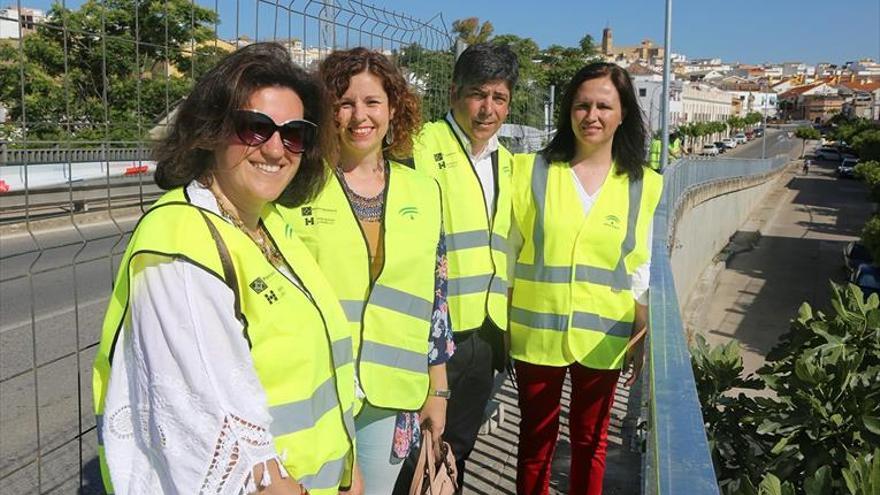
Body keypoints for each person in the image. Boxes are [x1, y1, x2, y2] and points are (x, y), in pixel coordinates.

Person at [92, 43, 360, 495]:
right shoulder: (180, 242)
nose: (276, 149)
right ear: (213, 129)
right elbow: (220, 432)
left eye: (294, 134)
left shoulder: (270, 225)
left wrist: (349, 473)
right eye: (255, 128)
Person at [283, 47, 452, 495]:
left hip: (393, 392)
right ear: (326, 111)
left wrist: (439, 389)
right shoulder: (297, 187)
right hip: (315, 391)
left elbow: (436, 300)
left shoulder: (426, 191)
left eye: (372, 102)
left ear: (393, 108)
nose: (360, 115)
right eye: (344, 102)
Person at [509, 62, 663, 495]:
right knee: (536, 442)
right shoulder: (531, 171)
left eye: (603, 106)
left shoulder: (643, 185)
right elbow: (509, 253)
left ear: (623, 114)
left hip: (606, 335)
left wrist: (642, 328)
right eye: (582, 105)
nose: (591, 116)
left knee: (591, 442)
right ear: (568, 112)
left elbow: (639, 267)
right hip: (537, 332)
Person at [394, 42, 519, 492]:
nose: (488, 109)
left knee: (457, 450)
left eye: (499, 98)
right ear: (453, 94)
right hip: (431, 334)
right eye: (477, 94)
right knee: (414, 454)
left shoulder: (507, 162)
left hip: (484, 333)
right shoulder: (421, 147)